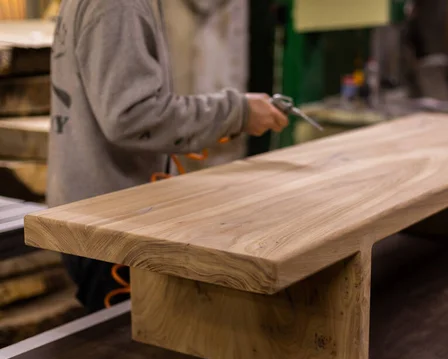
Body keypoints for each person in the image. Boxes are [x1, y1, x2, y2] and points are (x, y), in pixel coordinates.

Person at [48, 0, 288, 313]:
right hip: (107, 223)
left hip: (92, 212)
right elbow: (131, 116)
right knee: (131, 352)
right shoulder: (119, 6)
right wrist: (237, 112)